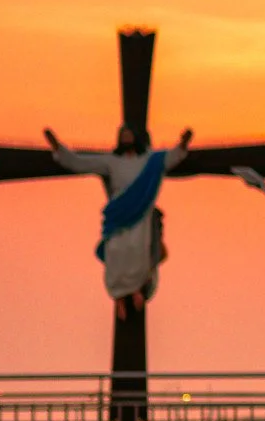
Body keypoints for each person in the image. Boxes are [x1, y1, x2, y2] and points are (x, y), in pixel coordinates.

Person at [43, 124, 193, 316]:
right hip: (118, 214)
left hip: (140, 213)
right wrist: (57, 146)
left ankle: (138, 290)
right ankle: (119, 296)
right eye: (123, 135)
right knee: (116, 251)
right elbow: (80, 162)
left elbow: (170, 157)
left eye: (129, 135)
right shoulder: (111, 161)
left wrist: (183, 143)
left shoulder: (151, 160)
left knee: (137, 250)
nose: (126, 138)